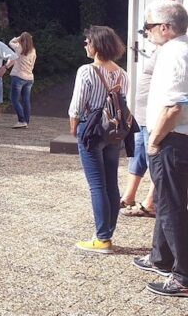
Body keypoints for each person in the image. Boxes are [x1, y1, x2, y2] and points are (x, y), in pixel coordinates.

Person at [132, 0, 188, 296]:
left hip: (172, 140)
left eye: (148, 27)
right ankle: (161, 258)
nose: (146, 32)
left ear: (165, 28)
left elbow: (175, 106)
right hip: (175, 139)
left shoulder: (175, 54)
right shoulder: (177, 50)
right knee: (169, 202)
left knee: (170, 207)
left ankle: (183, 277)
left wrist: (153, 142)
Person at [68, 25, 128, 254]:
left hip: (91, 129)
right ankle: (108, 232)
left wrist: (75, 128)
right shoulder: (122, 73)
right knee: (111, 183)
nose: (85, 45)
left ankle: (102, 238)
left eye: (88, 42)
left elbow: (76, 106)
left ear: (97, 46)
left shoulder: (87, 71)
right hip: (113, 131)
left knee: (96, 185)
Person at [120, 43, 157, 218]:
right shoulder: (160, 50)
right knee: (137, 156)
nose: (147, 33)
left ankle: (150, 203)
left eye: (150, 27)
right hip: (142, 116)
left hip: (154, 118)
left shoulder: (173, 51)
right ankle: (129, 196)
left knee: (154, 161)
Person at [8, 32, 37, 129]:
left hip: (18, 77)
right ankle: (26, 121)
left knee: (14, 99)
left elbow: (10, 42)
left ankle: (21, 120)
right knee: (26, 100)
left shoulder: (18, 48)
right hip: (29, 78)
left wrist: (18, 37)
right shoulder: (33, 51)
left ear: (21, 40)